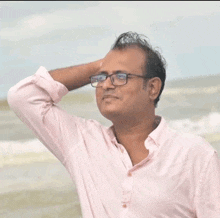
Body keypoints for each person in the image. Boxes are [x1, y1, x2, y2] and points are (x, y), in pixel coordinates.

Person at [8, 32, 220, 218]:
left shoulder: (194, 155)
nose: (106, 84)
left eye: (121, 76)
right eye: (101, 77)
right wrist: (102, 65)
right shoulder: (83, 144)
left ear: (153, 88)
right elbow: (23, 97)